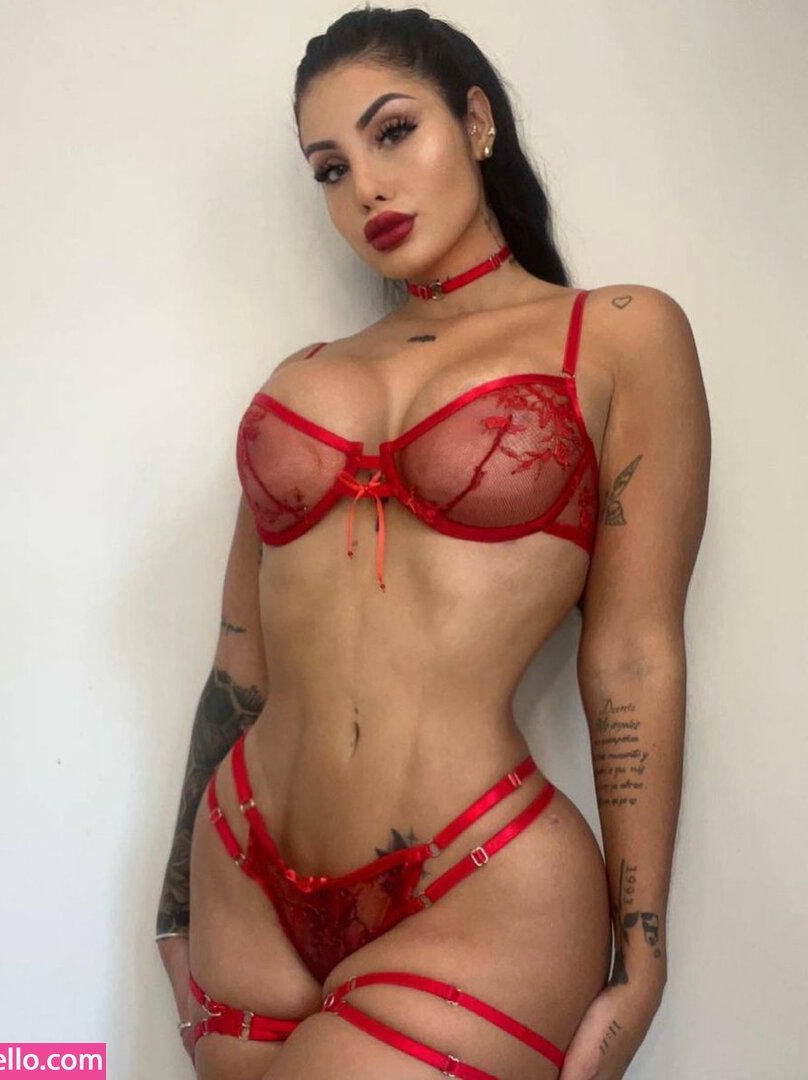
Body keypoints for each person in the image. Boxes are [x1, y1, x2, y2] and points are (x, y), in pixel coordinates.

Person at [155, 7, 710, 1078]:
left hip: (476, 881)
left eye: (393, 131)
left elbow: (634, 655)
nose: (364, 187)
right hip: (241, 871)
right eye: (329, 168)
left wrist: (643, 955)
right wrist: (174, 903)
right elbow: (240, 657)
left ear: (479, 122)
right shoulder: (302, 374)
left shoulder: (619, 335)